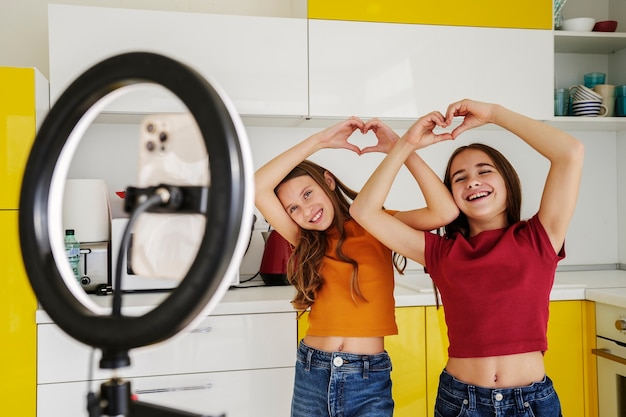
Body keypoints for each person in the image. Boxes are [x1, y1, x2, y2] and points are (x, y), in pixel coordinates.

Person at [350, 99, 584, 417]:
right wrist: (405, 145)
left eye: (484, 171)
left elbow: (569, 152)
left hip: (531, 403)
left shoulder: (539, 238)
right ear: (451, 195)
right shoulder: (441, 251)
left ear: (507, 182)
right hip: (462, 402)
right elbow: (364, 211)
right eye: (459, 178)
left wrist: (494, 114)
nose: (472, 181)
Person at [254, 116, 458, 417]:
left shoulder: (376, 224)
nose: (305, 210)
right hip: (313, 370)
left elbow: (444, 211)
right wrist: (318, 141)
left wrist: (403, 149)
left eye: (307, 194)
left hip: (367, 376)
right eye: (292, 208)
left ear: (328, 181)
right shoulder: (305, 239)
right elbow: (258, 187)